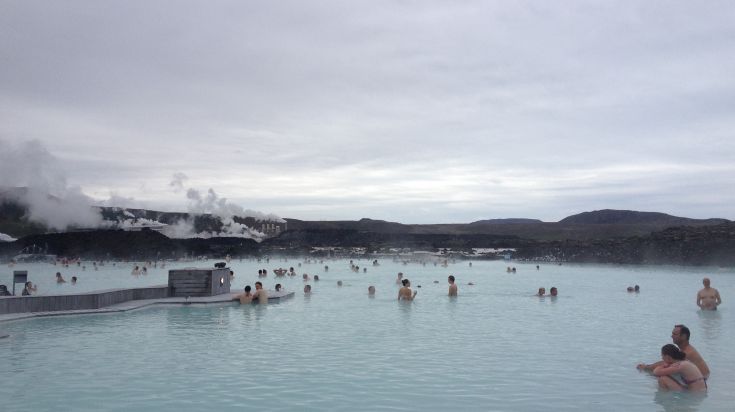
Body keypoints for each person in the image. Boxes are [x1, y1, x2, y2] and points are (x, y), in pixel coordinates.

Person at [637, 324, 710, 379]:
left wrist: (646, 367)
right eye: (672, 334)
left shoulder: (688, 353)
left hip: (703, 379)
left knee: (662, 378)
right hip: (699, 378)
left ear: (683, 336)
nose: (671, 336)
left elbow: (665, 362)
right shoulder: (684, 350)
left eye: (674, 334)